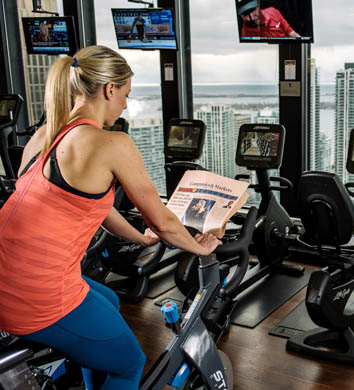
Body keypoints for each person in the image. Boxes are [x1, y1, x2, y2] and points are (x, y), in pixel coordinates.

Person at [0, 45, 221, 390]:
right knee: (129, 362)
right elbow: (163, 221)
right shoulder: (110, 143)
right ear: (109, 89)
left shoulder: (44, 135)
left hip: (10, 276)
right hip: (35, 292)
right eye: (126, 95)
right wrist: (200, 248)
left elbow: (87, 204)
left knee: (111, 300)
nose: (126, 105)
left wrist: (140, 238)